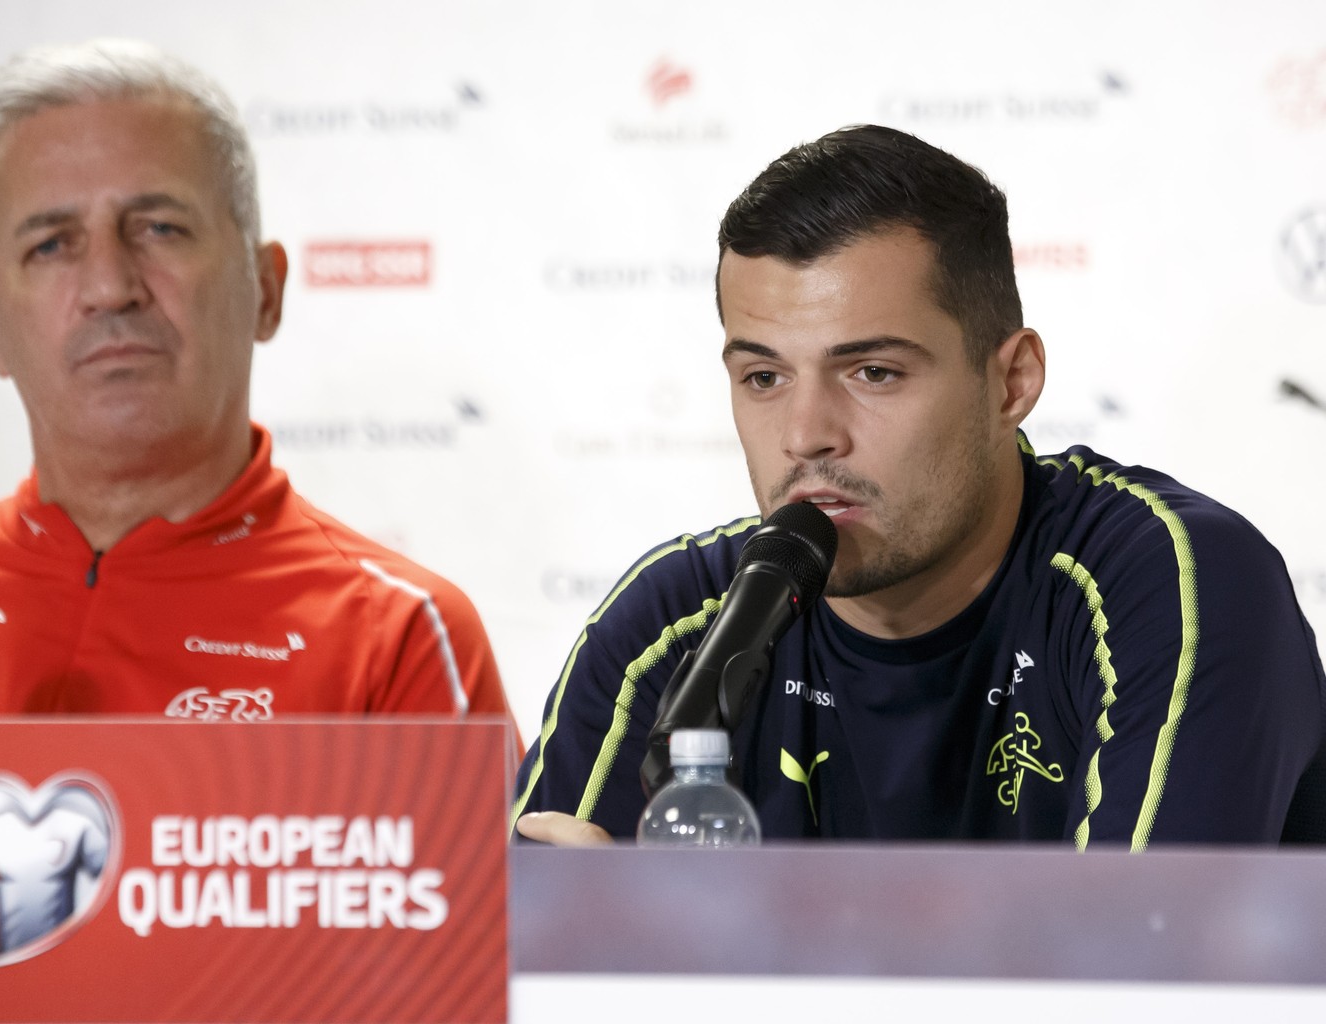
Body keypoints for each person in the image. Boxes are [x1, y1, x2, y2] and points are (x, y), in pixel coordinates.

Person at [512, 124, 1326, 849]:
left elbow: (1139, 976)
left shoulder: (1168, 586)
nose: (805, 434)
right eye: (763, 377)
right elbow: (517, 972)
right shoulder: (673, 625)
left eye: (872, 371)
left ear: (1011, 382)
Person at [0, 39, 516, 842]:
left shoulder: (396, 639)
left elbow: (473, 963)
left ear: (266, 290)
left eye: (160, 228)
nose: (110, 287)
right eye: (52, 244)